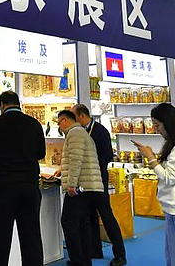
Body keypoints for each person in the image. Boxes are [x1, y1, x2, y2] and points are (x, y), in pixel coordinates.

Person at [0, 90, 45, 266]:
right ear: (18, 103)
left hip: (3, 189)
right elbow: (41, 153)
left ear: (2, 105)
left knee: (0, 241)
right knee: (31, 239)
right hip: (29, 188)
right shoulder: (34, 124)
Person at [134, 104, 175, 266]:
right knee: (173, 255)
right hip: (174, 208)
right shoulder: (174, 144)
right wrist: (152, 159)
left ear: (168, 123)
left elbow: (169, 178)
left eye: (157, 125)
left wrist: (151, 158)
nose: (156, 129)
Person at [72, 104, 126, 266]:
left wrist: (92, 166)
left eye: (74, 117)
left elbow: (107, 155)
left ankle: (120, 254)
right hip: (84, 181)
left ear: (82, 116)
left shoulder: (100, 131)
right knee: (89, 216)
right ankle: (94, 249)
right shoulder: (79, 132)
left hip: (99, 180)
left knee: (106, 215)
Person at [57, 109, 104, 266]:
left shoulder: (75, 133)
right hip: (87, 185)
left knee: (69, 222)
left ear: (65, 120)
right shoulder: (81, 132)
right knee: (82, 223)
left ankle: (78, 259)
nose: (59, 126)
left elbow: (75, 160)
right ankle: (84, 259)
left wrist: (71, 184)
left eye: (59, 122)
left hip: (79, 186)